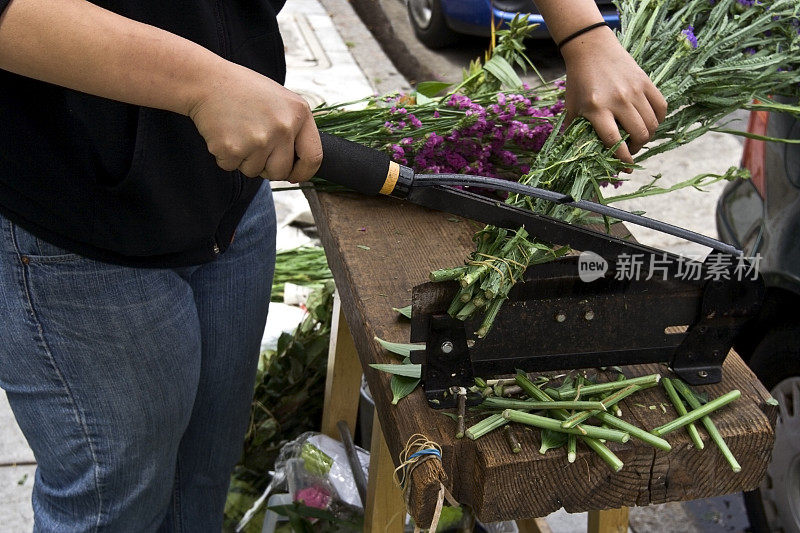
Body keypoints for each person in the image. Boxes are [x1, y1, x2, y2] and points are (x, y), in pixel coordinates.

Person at [0, 0, 665, 530]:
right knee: (115, 500)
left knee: (203, 470)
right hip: (71, 220)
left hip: (225, 194)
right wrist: (201, 83)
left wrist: (583, 33)